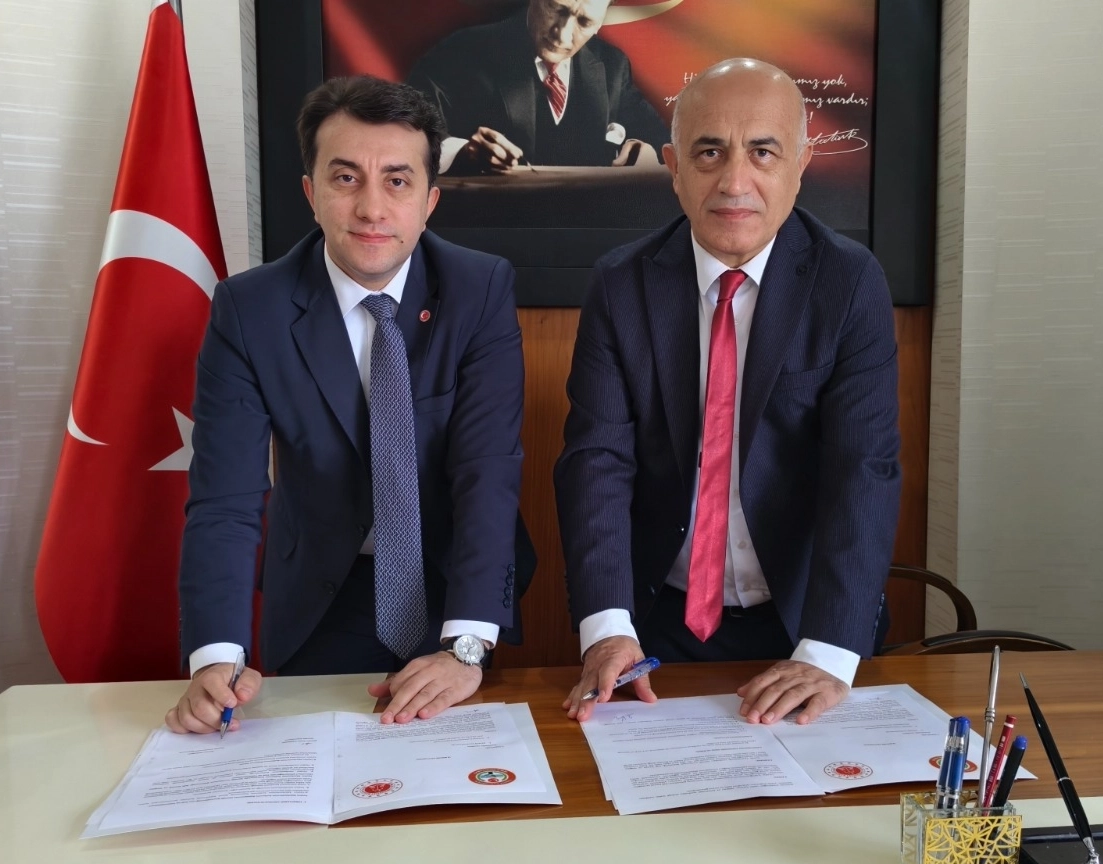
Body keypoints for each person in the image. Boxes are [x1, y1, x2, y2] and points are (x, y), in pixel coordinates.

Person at [166, 75, 534, 735]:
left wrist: (467, 646)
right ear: (311, 193)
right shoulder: (250, 310)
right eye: (345, 178)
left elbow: (487, 472)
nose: (371, 208)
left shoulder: (478, 289)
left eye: (397, 181)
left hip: (457, 588)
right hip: (319, 596)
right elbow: (226, 497)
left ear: (429, 201)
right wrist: (215, 655)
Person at [554, 58, 901, 726]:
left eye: (763, 152)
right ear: (673, 168)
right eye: (709, 152)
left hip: (807, 622)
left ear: (800, 165)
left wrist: (828, 651)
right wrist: (606, 627)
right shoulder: (621, 285)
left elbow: (864, 468)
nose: (735, 182)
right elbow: (596, 460)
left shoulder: (849, 281)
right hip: (656, 626)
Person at [408, 0, 669, 173]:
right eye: (557, 8)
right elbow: (408, 131)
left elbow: (663, 142)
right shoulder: (462, 52)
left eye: (584, 22)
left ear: (599, 23)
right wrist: (462, 152)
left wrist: (648, 154)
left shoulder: (613, 65)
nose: (562, 34)